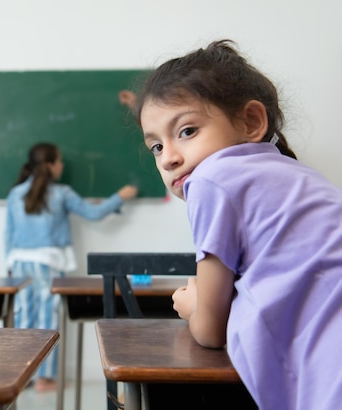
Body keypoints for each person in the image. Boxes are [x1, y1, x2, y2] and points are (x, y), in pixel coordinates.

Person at [134, 39, 342, 409]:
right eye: (156, 147)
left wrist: (191, 304)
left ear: (251, 122)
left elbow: (211, 330)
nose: (168, 159)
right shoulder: (297, 175)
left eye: (186, 131)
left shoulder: (213, 179)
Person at [5, 142, 138, 392]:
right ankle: (44, 379)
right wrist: (121, 196)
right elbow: (95, 213)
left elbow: (8, 234)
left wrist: (9, 264)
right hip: (48, 263)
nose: (63, 165)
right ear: (51, 165)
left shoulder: (15, 194)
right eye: (59, 161)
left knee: (23, 318)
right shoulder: (61, 193)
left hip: (20, 262)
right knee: (47, 319)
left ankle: (21, 377)